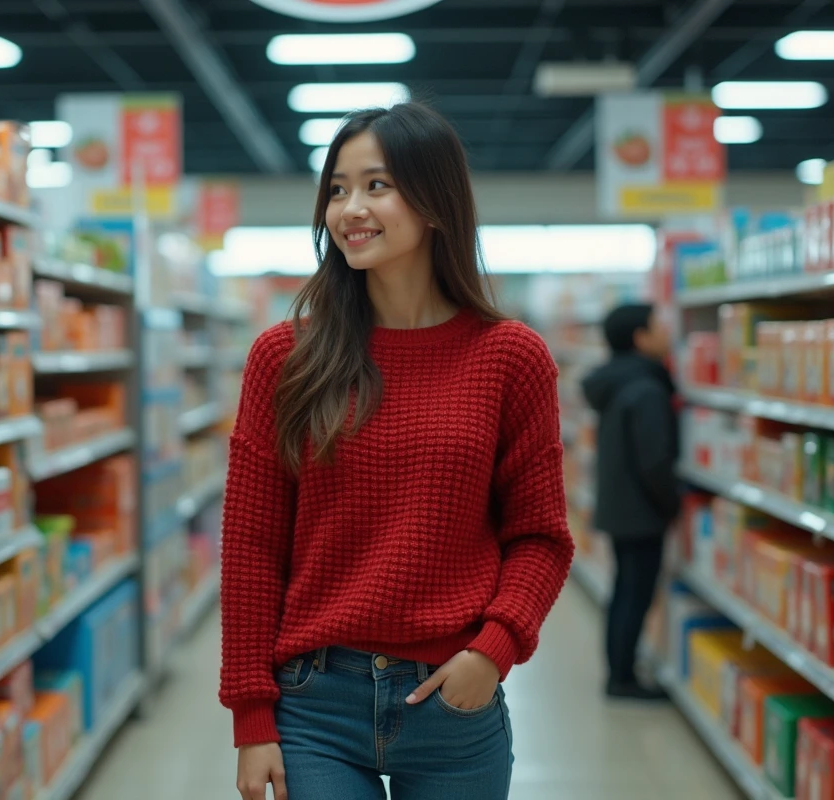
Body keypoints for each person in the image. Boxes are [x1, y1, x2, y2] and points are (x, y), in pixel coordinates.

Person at [219, 102, 573, 800]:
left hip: (453, 702)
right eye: (338, 189)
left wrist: (492, 651)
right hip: (314, 703)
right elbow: (252, 546)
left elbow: (540, 536)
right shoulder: (284, 357)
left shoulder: (511, 357)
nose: (350, 208)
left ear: (437, 201)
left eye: (377, 185)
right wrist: (251, 716)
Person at [581, 303, 679, 701]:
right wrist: (672, 504)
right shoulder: (648, 387)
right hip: (642, 512)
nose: (666, 334)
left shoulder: (617, 382)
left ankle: (619, 670)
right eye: (659, 326)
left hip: (620, 506)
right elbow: (654, 459)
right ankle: (623, 679)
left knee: (623, 590)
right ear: (640, 337)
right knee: (635, 594)